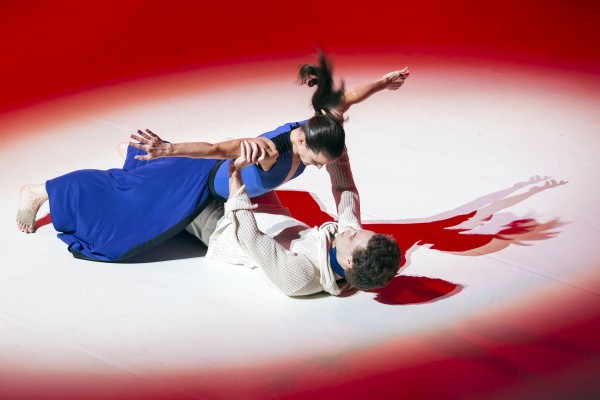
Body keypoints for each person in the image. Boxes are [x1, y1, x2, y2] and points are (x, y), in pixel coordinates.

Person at [17, 52, 409, 262]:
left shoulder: (321, 128)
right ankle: (42, 190)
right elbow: (218, 148)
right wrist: (170, 148)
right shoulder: (269, 149)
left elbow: (343, 100)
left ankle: (141, 159)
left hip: (211, 177)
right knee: (124, 215)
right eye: (315, 160)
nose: (320, 168)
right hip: (198, 182)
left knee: (140, 180)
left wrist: (381, 84)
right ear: (302, 139)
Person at [191, 150, 401, 296]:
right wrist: (335, 150)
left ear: (350, 262)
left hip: (224, 224)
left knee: (187, 181)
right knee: (234, 153)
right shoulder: (347, 245)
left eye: (354, 236)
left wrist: (236, 182)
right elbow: (345, 190)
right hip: (264, 207)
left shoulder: (301, 276)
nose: (351, 230)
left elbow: (250, 238)